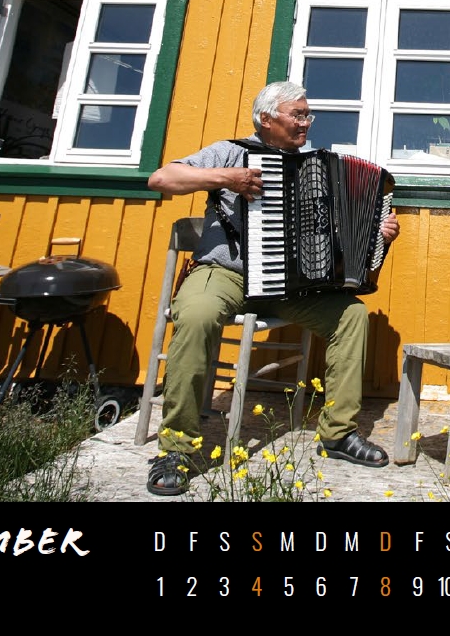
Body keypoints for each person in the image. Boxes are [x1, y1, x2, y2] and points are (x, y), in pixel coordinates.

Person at [145, 80, 399, 495]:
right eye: (298, 114)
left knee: (351, 314)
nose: (306, 123)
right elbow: (163, 178)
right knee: (195, 316)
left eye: (307, 115)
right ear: (266, 119)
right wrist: (227, 177)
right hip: (227, 273)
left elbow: (333, 236)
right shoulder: (232, 151)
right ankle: (176, 448)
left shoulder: (317, 167)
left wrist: (377, 232)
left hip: (290, 283)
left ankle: (337, 434)